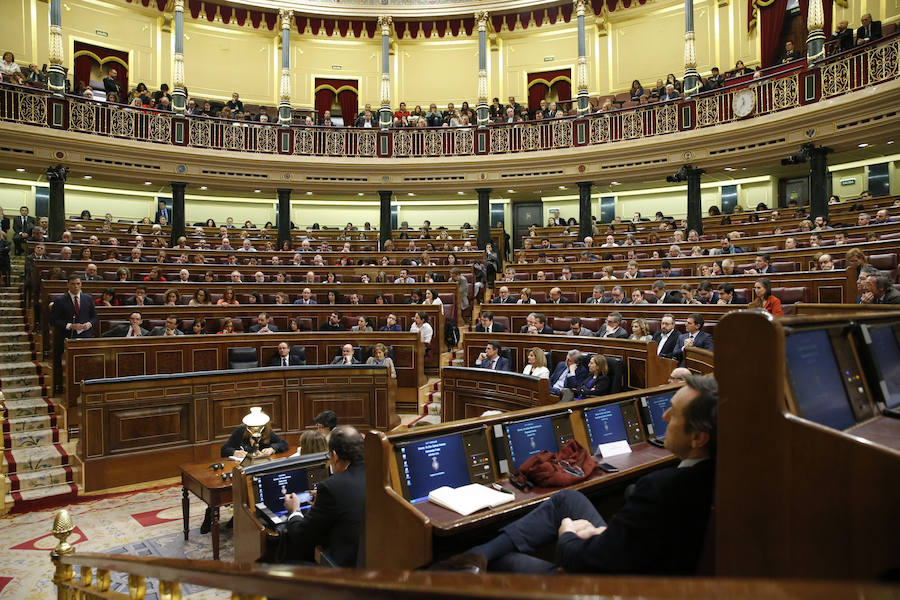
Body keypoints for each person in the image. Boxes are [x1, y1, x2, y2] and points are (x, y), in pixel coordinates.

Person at [436, 375, 717, 575]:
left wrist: (568, 535)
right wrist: (607, 532)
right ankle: (476, 556)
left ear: (698, 438)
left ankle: (474, 563)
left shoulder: (660, 490)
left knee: (507, 563)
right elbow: (641, 540)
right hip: (633, 555)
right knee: (566, 499)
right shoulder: (715, 473)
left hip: (607, 584)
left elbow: (588, 562)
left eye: (675, 413)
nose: (664, 416)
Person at [284, 426, 366, 567]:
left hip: (344, 568)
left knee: (285, 552)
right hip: (373, 558)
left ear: (334, 455)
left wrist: (294, 511)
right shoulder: (379, 472)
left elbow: (301, 535)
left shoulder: (331, 487)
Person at [201, 416, 289, 534]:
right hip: (239, 469)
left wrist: (273, 448)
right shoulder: (240, 431)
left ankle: (241, 515)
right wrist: (234, 452)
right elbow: (224, 449)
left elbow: (283, 444)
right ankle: (211, 516)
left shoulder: (266, 432)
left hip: (258, 471)